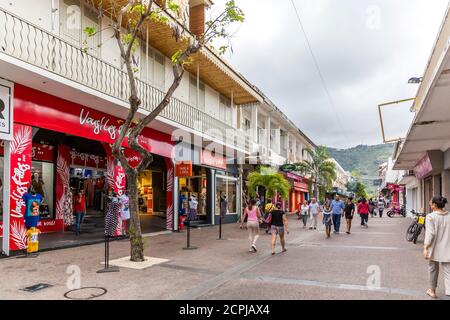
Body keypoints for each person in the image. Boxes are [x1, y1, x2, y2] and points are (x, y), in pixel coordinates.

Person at [423, 196, 450, 299]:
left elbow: (430, 234)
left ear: (434, 205)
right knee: (448, 271)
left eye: (430, 202)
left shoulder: (431, 217)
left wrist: (425, 247)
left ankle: (432, 291)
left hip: (434, 248)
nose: (429, 203)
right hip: (448, 247)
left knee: (433, 269)